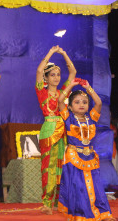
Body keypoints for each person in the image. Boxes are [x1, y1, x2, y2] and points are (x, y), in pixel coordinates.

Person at [57, 79, 115, 221]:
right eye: (77, 102)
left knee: (97, 187)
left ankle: (104, 214)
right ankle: (82, 215)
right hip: (74, 157)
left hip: (90, 157)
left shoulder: (92, 118)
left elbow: (99, 103)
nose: (81, 104)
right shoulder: (68, 118)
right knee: (79, 187)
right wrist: (71, 85)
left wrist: (88, 88)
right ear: (69, 106)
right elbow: (60, 100)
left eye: (84, 102)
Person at [35, 45, 76, 214]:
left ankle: (61, 202)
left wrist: (65, 53)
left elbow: (73, 73)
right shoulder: (42, 92)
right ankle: (46, 203)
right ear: (45, 78)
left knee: (62, 166)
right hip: (49, 131)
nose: (57, 78)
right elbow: (38, 70)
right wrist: (51, 52)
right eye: (52, 75)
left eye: (58, 75)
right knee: (48, 167)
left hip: (63, 132)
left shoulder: (63, 93)